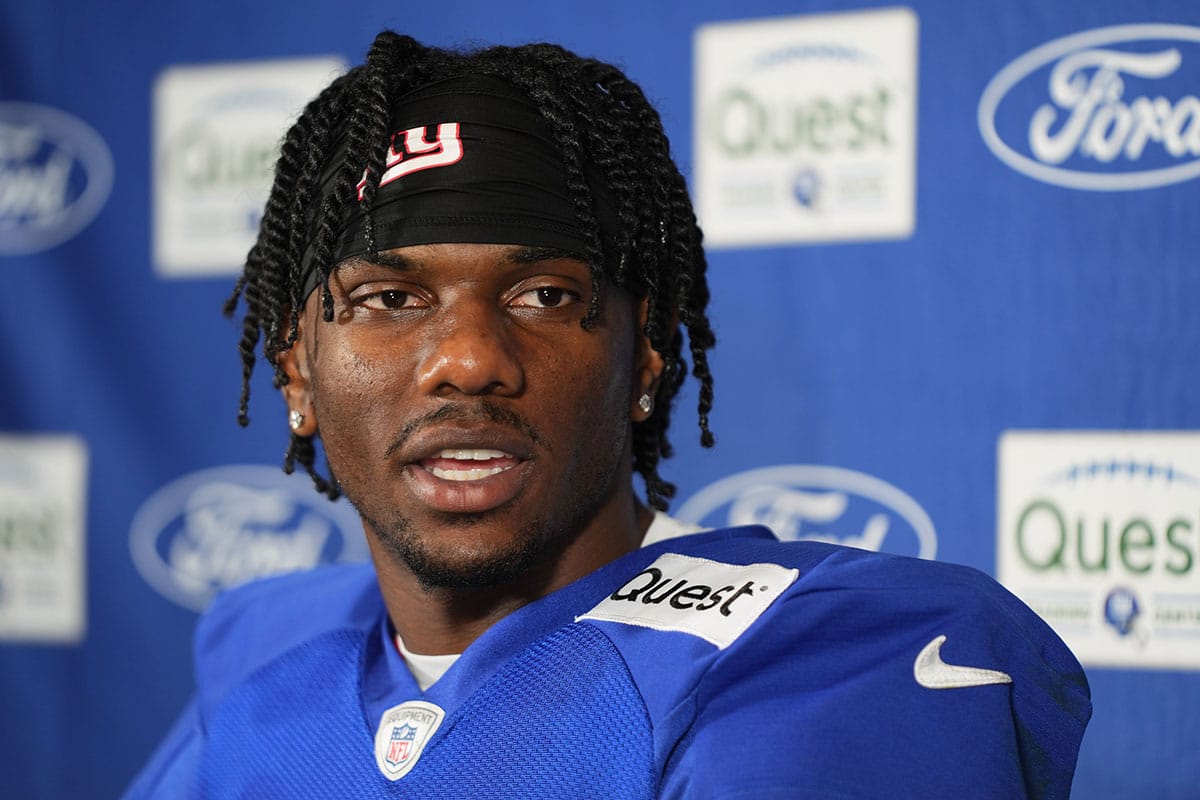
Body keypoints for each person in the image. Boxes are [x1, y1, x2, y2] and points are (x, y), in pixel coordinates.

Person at [126, 31, 1090, 799]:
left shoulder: (826, 653)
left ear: (647, 358)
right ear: (296, 376)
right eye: (389, 298)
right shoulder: (263, 645)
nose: (469, 359)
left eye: (543, 294)